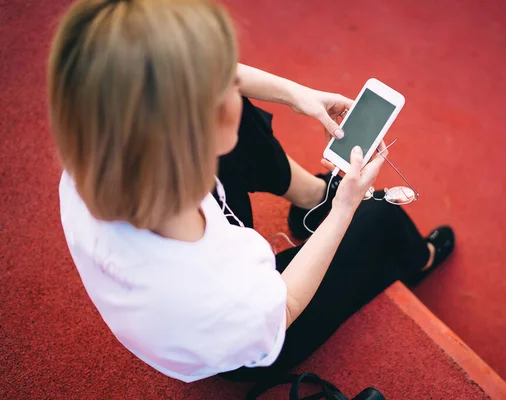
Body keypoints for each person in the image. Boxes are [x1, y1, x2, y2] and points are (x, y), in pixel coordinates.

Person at [47, 0, 455, 384]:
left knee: (245, 133)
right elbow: (284, 309)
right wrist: (345, 209)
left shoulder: (99, 149)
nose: (235, 81)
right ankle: (417, 258)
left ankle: (314, 197)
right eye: (224, 81)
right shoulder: (216, 290)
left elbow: (202, 78)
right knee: (382, 217)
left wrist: (298, 95)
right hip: (251, 339)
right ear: (206, 121)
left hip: (199, 297)